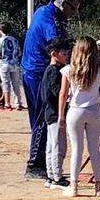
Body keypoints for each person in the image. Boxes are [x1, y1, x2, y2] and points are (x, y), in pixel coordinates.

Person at [23, 0, 79, 177]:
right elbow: (57, 44)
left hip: (31, 69)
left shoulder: (42, 11)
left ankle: (42, 162)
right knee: (44, 117)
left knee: (40, 118)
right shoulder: (51, 21)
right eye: (73, 9)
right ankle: (34, 165)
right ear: (64, 4)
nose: (73, 14)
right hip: (41, 72)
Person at [58, 35, 100, 198]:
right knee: (94, 149)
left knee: (77, 149)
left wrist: (61, 115)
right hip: (94, 109)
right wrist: (99, 90)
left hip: (75, 111)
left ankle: (74, 186)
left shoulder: (69, 70)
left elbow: (63, 93)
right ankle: (98, 186)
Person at [39, 38, 72, 187]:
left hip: (51, 112)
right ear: (54, 54)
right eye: (63, 53)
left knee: (52, 146)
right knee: (58, 146)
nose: (66, 56)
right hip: (54, 113)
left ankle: (51, 175)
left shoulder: (51, 71)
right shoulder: (54, 71)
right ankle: (56, 177)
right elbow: (57, 92)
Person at [0, 21, 26, 110]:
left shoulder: (0, 40)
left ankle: (7, 103)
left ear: (1, 30)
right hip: (15, 64)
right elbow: (19, 52)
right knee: (16, 83)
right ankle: (18, 103)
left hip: (4, 64)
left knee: (6, 84)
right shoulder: (14, 40)